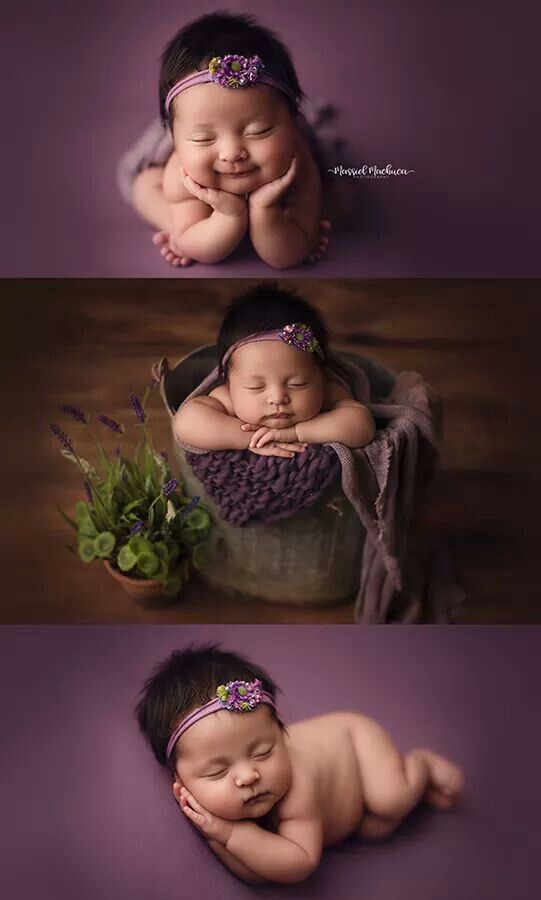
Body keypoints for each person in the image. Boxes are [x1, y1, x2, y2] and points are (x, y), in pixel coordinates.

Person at [136, 645, 465, 885]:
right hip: (344, 812)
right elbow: (257, 874)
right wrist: (215, 837)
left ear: (281, 733)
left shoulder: (296, 786)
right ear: (180, 781)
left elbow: (299, 862)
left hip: (354, 742)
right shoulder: (215, 803)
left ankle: (420, 766)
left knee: (390, 800)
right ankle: (415, 800)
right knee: (375, 829)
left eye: (264, 751)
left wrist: (228, 832)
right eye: (218, 771)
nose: (250, 775)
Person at [124, 12, 330, 268]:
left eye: (259, 131)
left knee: (339, 200)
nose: (232, 153)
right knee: (144, 186)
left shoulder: (298, 163)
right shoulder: (182, 171)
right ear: (176, 141)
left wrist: (265, 210)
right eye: (204, 139)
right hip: (180, 177)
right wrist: (227, 216)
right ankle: (173, 226)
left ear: (292, 123)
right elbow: (206, 253)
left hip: (286, 176)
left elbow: (287, 256)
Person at [174, 283, 375, 457]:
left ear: (320, 376)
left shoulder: (327, 393)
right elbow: (185, 422)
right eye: (256, 386)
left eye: (297, 384)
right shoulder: (227, 399)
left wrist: (297, 433)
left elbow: (361, 426)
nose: (278, 398)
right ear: (229, 382)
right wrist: (248, 437)